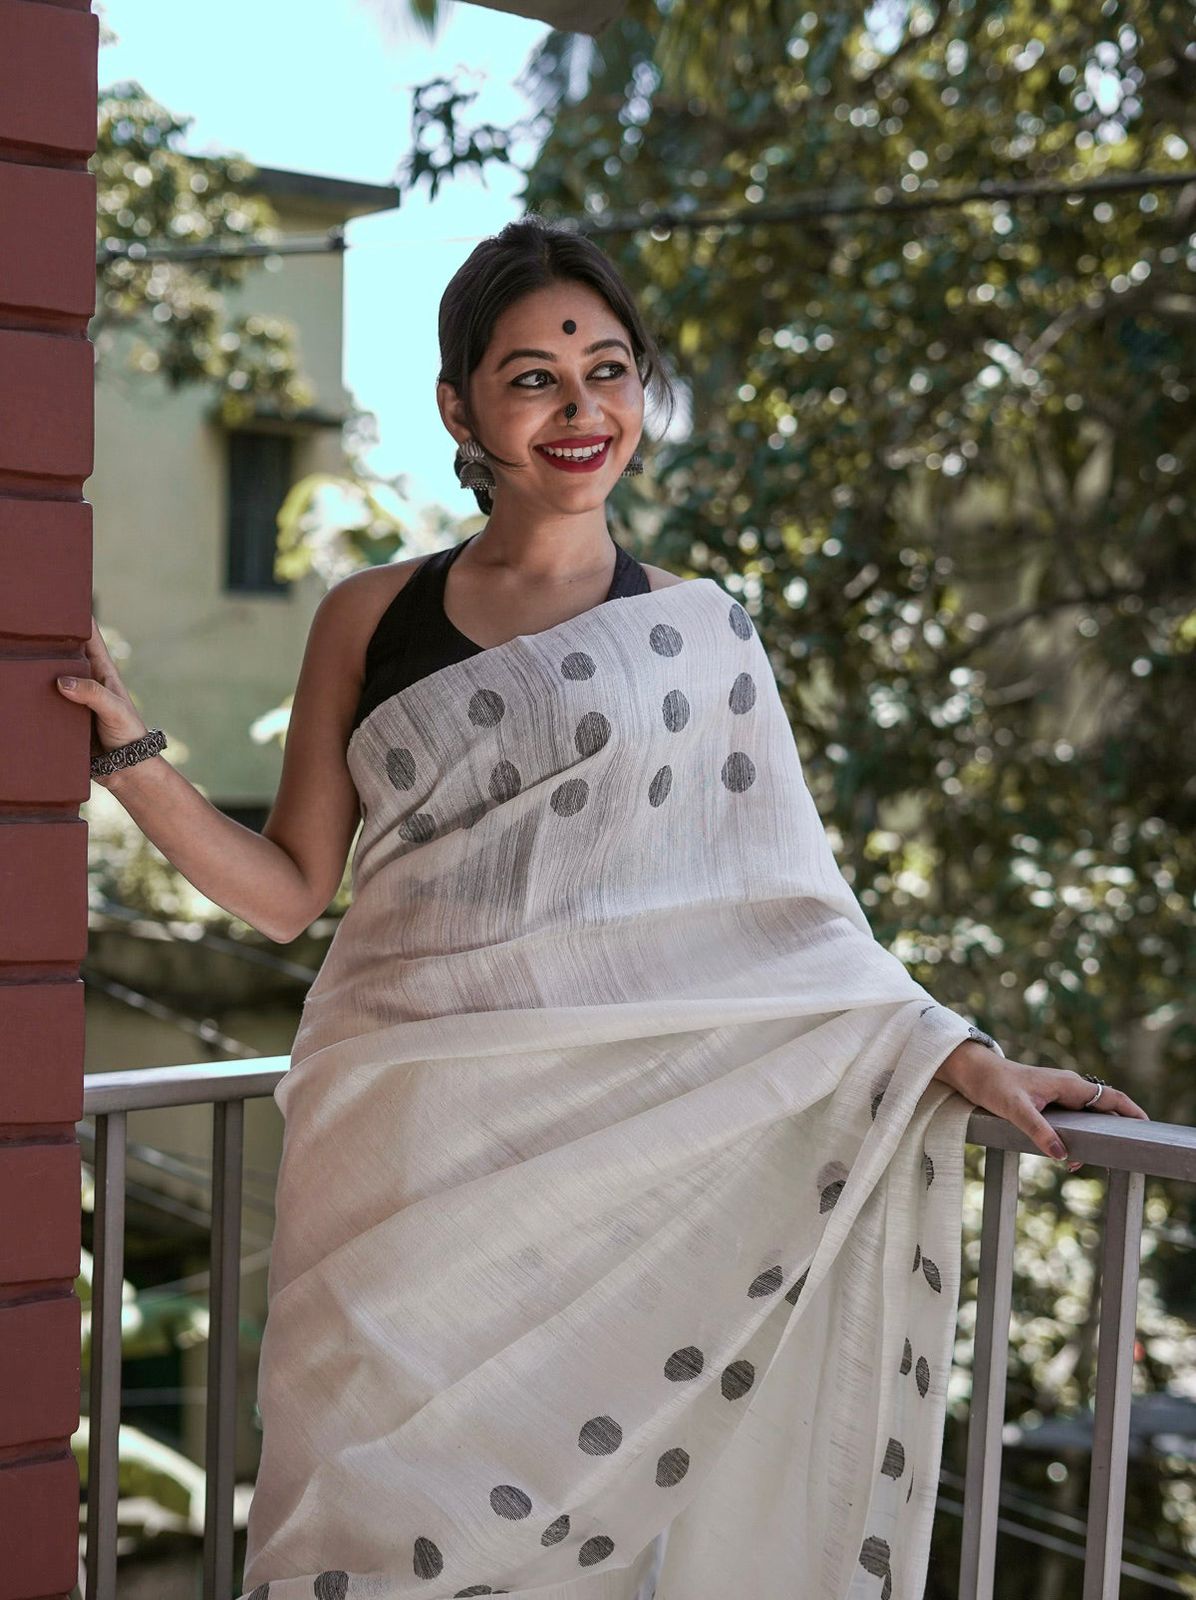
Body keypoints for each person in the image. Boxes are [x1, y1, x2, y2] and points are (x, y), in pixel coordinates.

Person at [61, 214, 1149, 1600]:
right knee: (357, 1537)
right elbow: (287, 895)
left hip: (601, 1184)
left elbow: (788, 915)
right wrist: (130, 755)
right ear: (461, 404)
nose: (582, 412)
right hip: (396, 1162)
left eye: (610, 371)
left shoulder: (698, 636)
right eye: (533, 378)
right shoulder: (370, 616)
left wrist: (952, 1056)